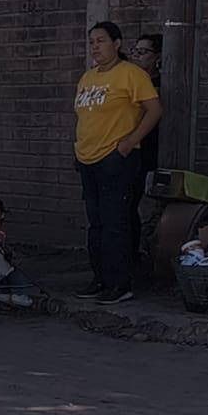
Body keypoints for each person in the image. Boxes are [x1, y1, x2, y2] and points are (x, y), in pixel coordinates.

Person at [73, 21, 161, 305]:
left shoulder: (131, 75)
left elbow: (154, 110)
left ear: (117, 44)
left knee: (115, 223)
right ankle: (99, 279)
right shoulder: (87, 78)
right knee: (95, 223)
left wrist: (127, 143)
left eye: (101, 41)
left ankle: (119, 283)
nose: (95, 47)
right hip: (87, 158)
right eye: (91, 42)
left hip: (116, 159)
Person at [129, 33, 163, 258]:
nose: (137, 57)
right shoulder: (130, 83)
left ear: (158, 57)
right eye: (135, 52)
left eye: (143, 52)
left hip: (151, 153)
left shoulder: (162, 85)